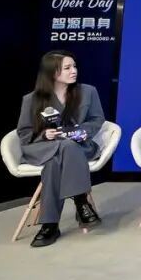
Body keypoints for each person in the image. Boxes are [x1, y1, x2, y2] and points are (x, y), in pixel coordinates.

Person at [15, 51, 105, 247]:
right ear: (52, 72)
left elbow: (97, 120)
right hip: (45, 147)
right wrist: (44, 134)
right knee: (60, 151)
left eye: (74, 66)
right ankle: (81, 200)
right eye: (67, 68)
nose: (74, 71)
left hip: (79, 145)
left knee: (57, 160)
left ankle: (49, 225)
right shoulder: (32, 99)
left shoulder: (88, 91)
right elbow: (24, 132)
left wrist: (78, 132)